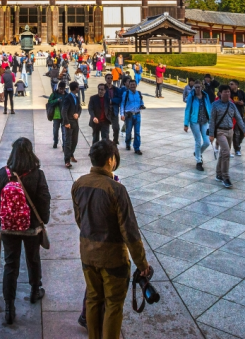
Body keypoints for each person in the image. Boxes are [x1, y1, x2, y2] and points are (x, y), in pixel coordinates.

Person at [72, 140, 154, 339]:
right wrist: (142, 263)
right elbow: (130, 231)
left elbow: (80, 220)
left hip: (88, 254)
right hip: (113, 259)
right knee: (113, 305)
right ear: (110, 160)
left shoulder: (79, 184)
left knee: (93, 299)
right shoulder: (116, 189)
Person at [0, 137, 51, 324]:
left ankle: (9, 307)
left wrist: (2, 218)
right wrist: (43, 220)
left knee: (10, 264)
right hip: (31, 226)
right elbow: (44, 199)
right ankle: (34, 291)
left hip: (9, 227)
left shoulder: (3, 174)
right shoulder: (38, 174)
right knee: (33, 258)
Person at [208, 87, 245, 189]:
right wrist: (211, 134)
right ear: (220, 93)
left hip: (230, 131)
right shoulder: (215, 105)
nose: (227, 93)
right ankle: (225, 177)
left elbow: (238, 118)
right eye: (225, 92)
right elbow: (212, 120)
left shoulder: (232, 105)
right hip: (220, 131)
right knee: (226, 152)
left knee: (223, 153)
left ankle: (218, 173)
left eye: (228, 92)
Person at [182, 81, 211, 171]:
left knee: (207, 142)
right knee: (198, 141)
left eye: (199, 87)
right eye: (196, 87)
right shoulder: (192, 96)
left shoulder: (205, 96)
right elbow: (188, 109)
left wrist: (211, 120)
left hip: (204, 121)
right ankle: (198, 161)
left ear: (202, 87)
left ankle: (197, 153)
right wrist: (186, 124)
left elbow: (209, 108)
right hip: (194, 121)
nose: (197, 89)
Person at [118, 79, 144, 155]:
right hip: (129, 116)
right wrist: (122, 114)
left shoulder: (139, 93)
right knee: (128, 131)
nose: (133, 86)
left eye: (134, 84)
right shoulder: (125, 94)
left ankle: (137, 148)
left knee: (137, 132)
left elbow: (141, 102)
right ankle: (128, 143)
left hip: (137, 115)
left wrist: (142, 106)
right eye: (131, 84)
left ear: (136, 85)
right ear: (128, 86)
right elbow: (122, 104)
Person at [62, 82, 82, 168]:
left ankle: (71, 154)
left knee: (75, 140)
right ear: (76, 88)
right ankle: (67, 160)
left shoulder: (77, 98)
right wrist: (66, 122)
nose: (79, 89)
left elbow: (79, 108)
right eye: (78, 87)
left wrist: (78, 114)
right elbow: (64, 111)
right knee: (68, 142)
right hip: (69, 123)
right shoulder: (68, 98)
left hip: (75, 122)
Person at [228, 81, 245, 156]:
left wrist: (243, 103)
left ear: (236, 85)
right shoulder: (229, 93)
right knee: (236, 133)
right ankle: (237, 149)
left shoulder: (241, 93)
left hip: (241, 115)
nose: (230, 85)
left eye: (232, 84)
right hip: (233, 116)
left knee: (243, 132)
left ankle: (238, 144)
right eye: (229, 84)